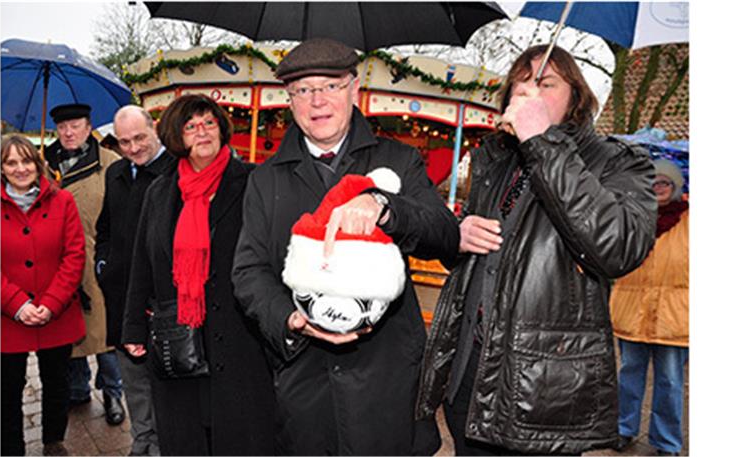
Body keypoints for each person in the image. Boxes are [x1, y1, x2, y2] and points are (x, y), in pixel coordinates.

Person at [415, 44, 658, 455]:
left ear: (576, 98)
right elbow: (492, 257)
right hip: (471, 380)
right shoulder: (495, 159)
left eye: (546, 83)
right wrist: (459, 236)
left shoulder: (616, 161)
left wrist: (543, 141)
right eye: (521, 84)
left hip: (543, 392)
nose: (529, 93)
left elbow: (617, 247)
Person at [232, 38, 459, 455]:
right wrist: (291, 321)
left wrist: (385, 206)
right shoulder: (265, 180)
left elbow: (445, 235)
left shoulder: (400, 160)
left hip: (386, 381)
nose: (317, 100)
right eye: (303, 89)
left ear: (355, 90)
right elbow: (248, 272)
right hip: (305, 383)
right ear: (290, 100)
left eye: (331, 85)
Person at [121, 94, 275, 456]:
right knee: (186, 437)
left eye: (208, 123)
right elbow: (142, 261)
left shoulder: (254, 181)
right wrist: (133, 327)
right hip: (178, 336)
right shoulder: (160, 190)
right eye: (190, 126)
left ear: (222, 128)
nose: (201, 132)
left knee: (242, 438)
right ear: (177, 136)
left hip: (241, 338)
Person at [95, 105, 174, 455]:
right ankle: (142, 445)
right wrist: (103, 264)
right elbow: (105, 229)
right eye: (124, 141)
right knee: (135, 383)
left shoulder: (176, 171)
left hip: (163, 303)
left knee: (168, 383)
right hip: (122, 299)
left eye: (139, 138)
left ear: (154, 128)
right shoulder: (115, 174)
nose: (132, 148)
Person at [1, 134, 86, 456]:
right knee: (6, 390)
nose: (20, 168)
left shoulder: (62, 201)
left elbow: (74, 255)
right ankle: (10, 447)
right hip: (7, 318)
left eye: (26, 160)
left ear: (38, 165)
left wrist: (50, 303)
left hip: (56, 314)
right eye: (11, 162)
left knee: (56, 384)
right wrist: (18, 304)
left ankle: (53, 440)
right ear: (1, 168)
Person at [43, 103, 126, 425]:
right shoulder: (41, 165)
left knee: (105, 334)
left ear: (88, 126)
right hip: (56, 264)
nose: (68, 132)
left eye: (75, 125)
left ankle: (112, 392)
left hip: (98, 260)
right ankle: (77, 388)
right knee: (68, 331)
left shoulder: (110, 163)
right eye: (62, 127)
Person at [610, 159, 688, 456]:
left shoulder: (691, 221)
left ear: (676, 186)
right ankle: (623, 429)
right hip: (632, 309)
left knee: (670, 381)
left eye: (665, 183)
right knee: (629, 375)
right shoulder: (633, 217)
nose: (658, 188)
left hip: (674, 316)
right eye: (653, 182)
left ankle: (666, 442)